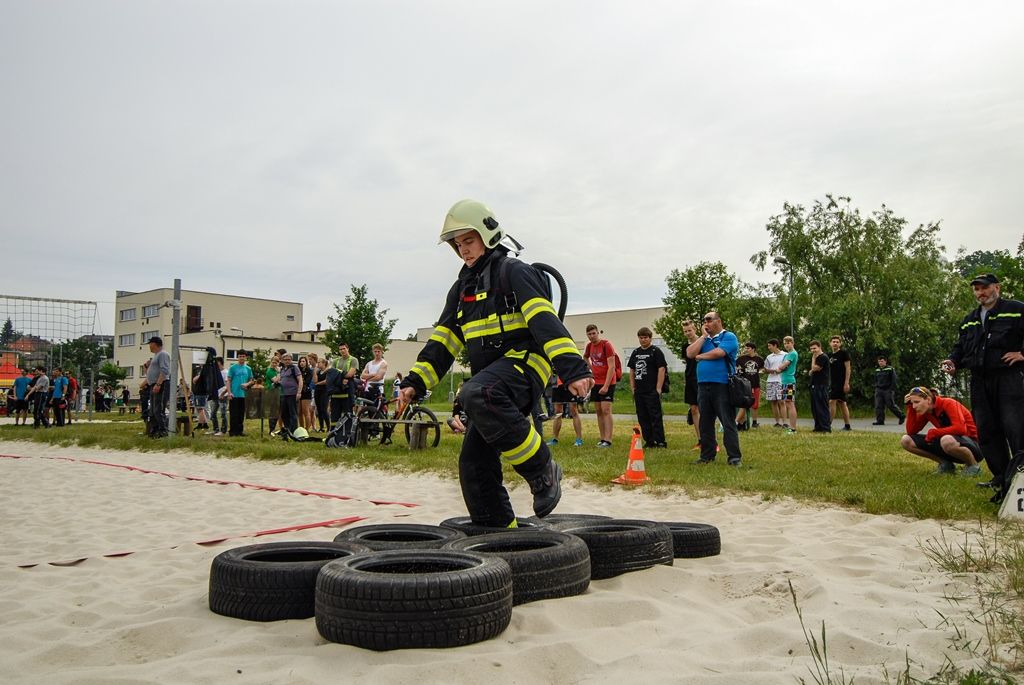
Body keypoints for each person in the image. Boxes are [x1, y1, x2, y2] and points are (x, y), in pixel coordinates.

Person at [398, 198, 593, 528]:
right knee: (474, 468)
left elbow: (545, 320)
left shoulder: (515, 272)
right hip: (491, 382)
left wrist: (572, 367)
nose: (464, 251)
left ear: (488, 235)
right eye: (458, 245)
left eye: (469, 241)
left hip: (525, 366)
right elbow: (443, 341)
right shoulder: (461, 290)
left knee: (478, 393)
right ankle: (501, 532)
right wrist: (415, 382)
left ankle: (543, 470)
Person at [942, 273, 1024, 497]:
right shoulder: (970, 318)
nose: (981, 293)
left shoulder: (1016, 309)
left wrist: (1022, 354)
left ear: (997, 287)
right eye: (976, 290)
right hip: (979, 380)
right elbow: (959, 347)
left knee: (1015, 427)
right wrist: (952, 361)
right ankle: (999, 476)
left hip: (1008, 378)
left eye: (985, 288)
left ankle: (1020, 477)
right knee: (987, 431)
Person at [686, 311, 741, 466]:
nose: (706, 323)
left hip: (722, 385)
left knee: (727, 421)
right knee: (705, 423)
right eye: (704, 320)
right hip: (703, 385)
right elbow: (690, 353)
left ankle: (734, 457)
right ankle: (707, 455)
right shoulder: (703, 340)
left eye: (709, 320)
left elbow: (719, 353)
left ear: (718, 321)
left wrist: (701, 357)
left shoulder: (728, 337)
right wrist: (703, 337)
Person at [899, 386, 982, 476]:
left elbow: (960, 428)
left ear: (928, 400)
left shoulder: (948, 403)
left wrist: (934, 432)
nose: (914, 406)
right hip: (949, 444)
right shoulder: (926, 411)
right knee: (906, 440)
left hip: (974, 447)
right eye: (912, 403)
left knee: (946, 440)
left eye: (917, 402)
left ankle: (973, 465)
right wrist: (910, 408)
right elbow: (911, 431)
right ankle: (946, 464)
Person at [628, 326, 667, 448]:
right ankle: (649, 441)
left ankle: (660, 441)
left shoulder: (655, 351)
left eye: (645, 338)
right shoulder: (635, 352)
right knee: (642, 417)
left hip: (652, 389)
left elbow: (661, 369)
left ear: (650, 338)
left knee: (655, 416)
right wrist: (633, 387)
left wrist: (658, 388)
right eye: (641, 338)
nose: (643, 340)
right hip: (639, 390)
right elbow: (632, 370)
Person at [584, 324, 619, 448]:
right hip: (596, 381)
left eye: (594, 333)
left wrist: (606, 385)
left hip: (608, 381)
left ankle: (608, 440)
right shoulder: (589, 346)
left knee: (606, 410)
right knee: (598, 411)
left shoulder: (606, 345)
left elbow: (612, 367)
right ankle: (603, 438)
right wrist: (591, 369)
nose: (592, 336)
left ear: (598, 333)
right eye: (589, 334)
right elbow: (585, 357)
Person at [144, 336, 171, 438]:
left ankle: (163, 430)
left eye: (150, 344)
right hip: (153, 384)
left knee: (158, 409)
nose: (149, 346)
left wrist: (158, 384)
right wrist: (147, 367)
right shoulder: (156, 355)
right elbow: (150, 374)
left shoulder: (163, 354)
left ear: (154, 344)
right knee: (152, 410)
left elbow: (164, 370)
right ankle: (154, 430)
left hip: (161, 384)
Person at [546, 376, 584, 447]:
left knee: (574, 411)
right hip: (557, 384)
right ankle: (554, 439)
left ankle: (579, 439)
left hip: (570, 381)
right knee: (558, 412)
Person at [681, 320, 702, 449]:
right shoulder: (685, 347)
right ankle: (700, 439)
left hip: (702, 378)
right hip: (690, 379)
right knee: (694, 409)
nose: (688, 333)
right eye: (685, 331)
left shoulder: (704, 342)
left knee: (705, 409)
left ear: (695, 329)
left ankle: (710, 439)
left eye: (690, 330)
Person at [735, 341, 764, 430]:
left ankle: (754, 422)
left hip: (755, 384)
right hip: (745, 385)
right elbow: (736, 368)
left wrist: (761, 371)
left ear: (753, 349)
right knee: (744, 404)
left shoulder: (759, 359)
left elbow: (762, 369)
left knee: (755, 405)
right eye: (746, 348)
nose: (746, 350)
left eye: (748, 348)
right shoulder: (741, 359)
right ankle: (741, 422)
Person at [225, 350, 254, 437]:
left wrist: (247, 384)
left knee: (241, 413)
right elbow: (229, 381)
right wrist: (229, 393)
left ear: (246, 357)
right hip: (234, 393)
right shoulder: (233, 368)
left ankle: (239, 431)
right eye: (240, 356)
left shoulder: (248, 369)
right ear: (238, 357)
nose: (241, 358)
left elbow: (252, 380)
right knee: (234, 413)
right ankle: (232, 431)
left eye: (243, 356)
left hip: (243, 394)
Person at [828, 335, 853, 431]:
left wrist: (846, 383)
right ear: (830, 343)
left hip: (841, 382)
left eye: (837, 342)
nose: (835, 343)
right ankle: (847, 425)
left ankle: (828, 424)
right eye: (833, 341)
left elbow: (848, 368)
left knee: (832, 401)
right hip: (832, 382)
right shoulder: (829, 355)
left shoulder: (843, 353)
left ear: (840, 343)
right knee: (842, 403)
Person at [872, 355, 905, 426]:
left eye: (882, 361)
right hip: (879, 390)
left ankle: (901, 416)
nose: (880, 363)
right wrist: (876, 387)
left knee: (890, 405)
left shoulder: (890, 369)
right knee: (878, 406)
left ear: (885, 362)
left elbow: (894, 379)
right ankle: (880, 421)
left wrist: (891, 389)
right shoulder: (877, 370)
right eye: (879, 361)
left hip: (888, 390)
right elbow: (875, 380)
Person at [808, 340, 832, 433]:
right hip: (814, 385)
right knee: (815, 408)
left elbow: (815, 368)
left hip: (821, 385)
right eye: (811, 349)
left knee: (822, 407)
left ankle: (825, 428)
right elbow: (812, 370)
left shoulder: (823, 357)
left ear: (819, 347)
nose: (813, 350)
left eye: (814, 348)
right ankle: (818, 427)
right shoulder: (817, 357)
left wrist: (813, 359)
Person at [277, 353, 303, 436]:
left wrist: (299, 392)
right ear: (283, 361)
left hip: (293, 393)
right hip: (284, 394)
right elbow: (282, 380)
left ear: (291, 360)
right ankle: (287, 429)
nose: (287, 361)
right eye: (285, 360)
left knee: (293, 413)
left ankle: (294, 431)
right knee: (284, 413)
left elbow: (300, 380)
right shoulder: (282, 369)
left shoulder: (294, 368)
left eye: (289, 359)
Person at [763, 339, 786, 428]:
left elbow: (787, 366)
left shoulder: (785, 355)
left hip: (781, 380)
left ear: (775, 345)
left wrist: (780, 370)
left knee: (782, 401)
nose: (769, 348)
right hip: (771, 381)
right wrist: (773, 370)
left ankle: (785, 422)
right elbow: (765, 369)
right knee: (773, 402)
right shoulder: (769, 357)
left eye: (770, 346)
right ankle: (777, 422)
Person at [780, 336, 799, 433]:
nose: (786, 345)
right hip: (785, 380)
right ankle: (791, 427)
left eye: (788, 343)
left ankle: (793, 428)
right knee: (788, 403)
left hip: (789, 381)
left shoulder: (792, 354)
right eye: (785, 343)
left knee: (790, 403)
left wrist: (778, 368)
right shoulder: (787, 354)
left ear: (792, 343)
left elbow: (783, 365)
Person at [333, 343, 360, 413]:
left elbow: (350, 374)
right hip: (337, 388)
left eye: (344, 349)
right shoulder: (335, 361)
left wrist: (338, 374)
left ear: (348, 349)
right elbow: (331, 374)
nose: (342, 351)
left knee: (348, 411)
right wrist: (342, 377)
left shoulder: (353, 360)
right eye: (340, 349)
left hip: (348, 387)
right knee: (335, 413)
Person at [208, 356, 228, 436]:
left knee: (223, 413)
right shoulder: (216, 373)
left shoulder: (226, 372)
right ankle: (215, 429)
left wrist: (223, 393)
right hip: (215, 395)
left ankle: (223, 430)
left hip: (223, 396)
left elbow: (228, 385)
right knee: (213, 413)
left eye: (217, 364)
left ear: (221, 363)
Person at [298, 355, 314, 430]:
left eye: (303, 361)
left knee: (305, 411)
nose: (302, 363)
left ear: (306, 362)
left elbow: (307, 382)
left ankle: (307, 428)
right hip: (298, 391)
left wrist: (301, 380)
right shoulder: (298, 371)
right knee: (299, 412)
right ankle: (301, 428)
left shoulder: (310, 371)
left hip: (306, 392)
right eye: (300, 361)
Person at [315, 358, 330, 432]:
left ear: (324, 363)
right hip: (317, 391)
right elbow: (315, 380)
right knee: (319, 409)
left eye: (319, 362)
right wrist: (314, 372)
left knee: (324, 409)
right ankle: (321, 427)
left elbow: (326, 381)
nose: (318, 364)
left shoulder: (328, 371)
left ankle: (328, 427)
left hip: (325, 391)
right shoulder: (318, 372)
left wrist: (318, 383)